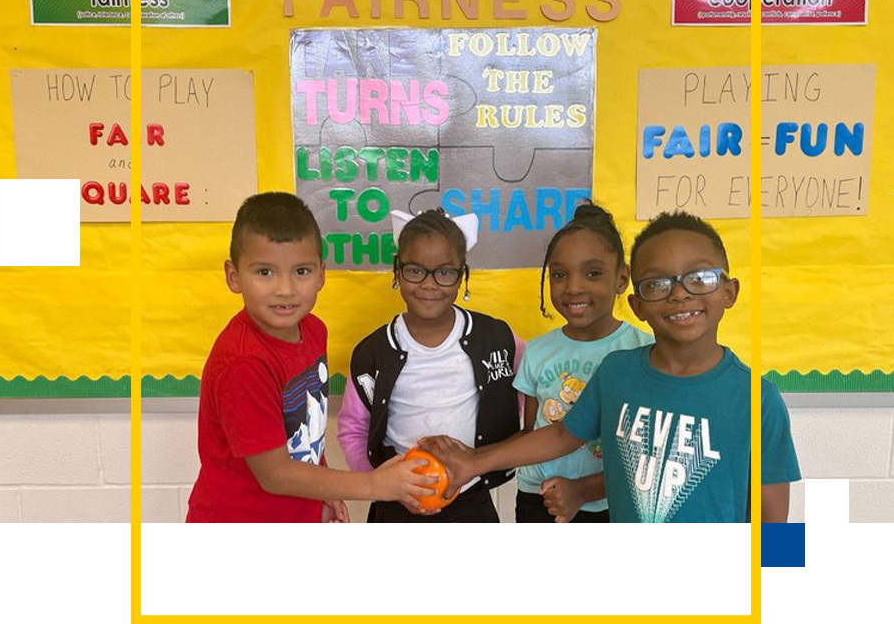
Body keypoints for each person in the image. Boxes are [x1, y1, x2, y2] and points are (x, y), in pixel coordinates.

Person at [422, 211, 801, 523]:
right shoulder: (617, 372)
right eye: (657, 284)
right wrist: (474, 461)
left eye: (699, 278)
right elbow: (559, 436)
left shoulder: (757, 399)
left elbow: (773, 519)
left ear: (729, 291)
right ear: (637, 304)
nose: (680, 292)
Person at [186, 192, 435, 523]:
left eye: (301, 271)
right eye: (265, 272)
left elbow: (305, 425)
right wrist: (374, 484)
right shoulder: (244, 363)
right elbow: (274, 474)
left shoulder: (314, 330)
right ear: (234, 276)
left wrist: (327, 490)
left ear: (321, 273)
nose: (285, 289)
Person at [337, 208, 523, 522]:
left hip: (471, 500)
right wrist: (381, 483)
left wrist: (483, 460)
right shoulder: (373, 352)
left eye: (445, 272)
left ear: (463, 274)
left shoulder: (496, 338)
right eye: (415, 270)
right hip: (395, 504)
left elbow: (524, 397)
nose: (429, 284)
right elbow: (353, 429)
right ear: (397, 270)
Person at [512, 200, 653, 523]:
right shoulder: (537, 352)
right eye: (559, 274)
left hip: (610, 502)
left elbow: (646, 458)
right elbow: (531, 434)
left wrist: (584, 490)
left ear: (621, 279)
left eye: (592, 273)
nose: (573, 287)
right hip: (539, 498)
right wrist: (468, 459)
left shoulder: (643, 351)